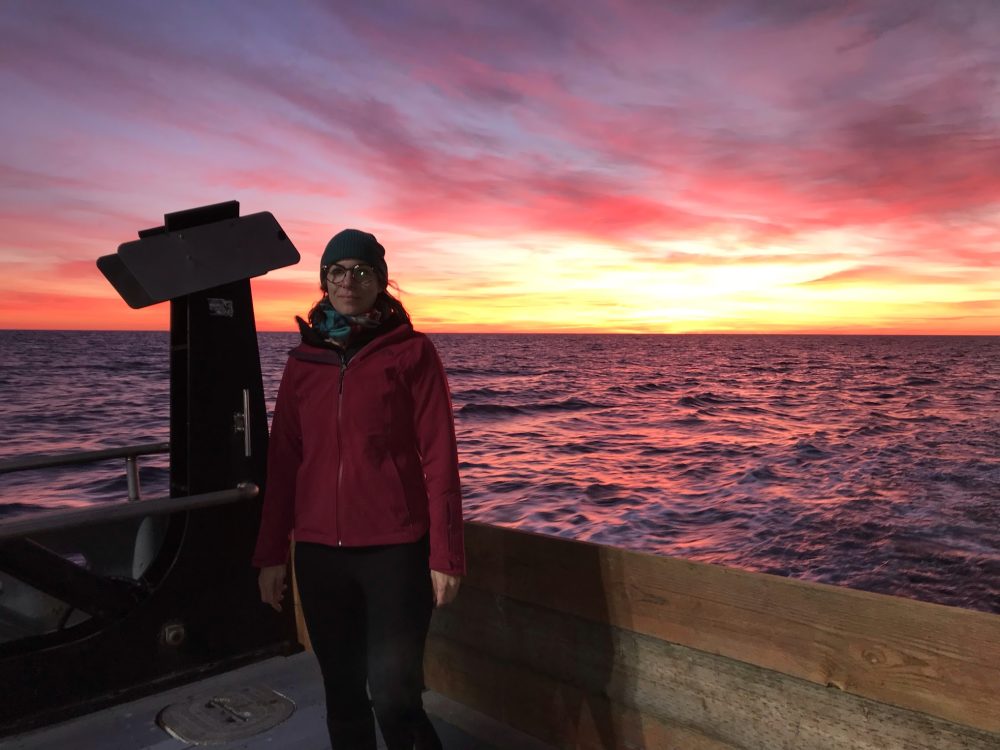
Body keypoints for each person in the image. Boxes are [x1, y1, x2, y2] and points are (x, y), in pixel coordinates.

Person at [252, 228, 465, 750]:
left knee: (396, 698)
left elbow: (440, 459)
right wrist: (271, 553)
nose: (350, 280)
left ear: (381, 282)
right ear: (324, 281)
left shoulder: (412, 354)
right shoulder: (304, 363)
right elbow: (283, 464)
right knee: (343, 697)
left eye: (362, 271)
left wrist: (446, 555)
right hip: (321, 555)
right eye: (338, 271)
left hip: (395, 552)